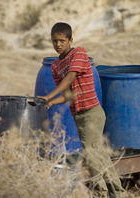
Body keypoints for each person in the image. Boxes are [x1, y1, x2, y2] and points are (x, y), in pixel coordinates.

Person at [37, 22, 128, 198]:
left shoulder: (79, 53)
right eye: (54, 41)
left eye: (62, 40)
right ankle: (119, 192)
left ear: (70, 40)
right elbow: (68, 95)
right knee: (98, 154)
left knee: (89, 152)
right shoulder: (55, 66)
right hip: (79, 116)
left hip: (92, 112)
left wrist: (48, 97)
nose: (58, 44)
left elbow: (71, 78)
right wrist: (52, 102)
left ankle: (101, 193)